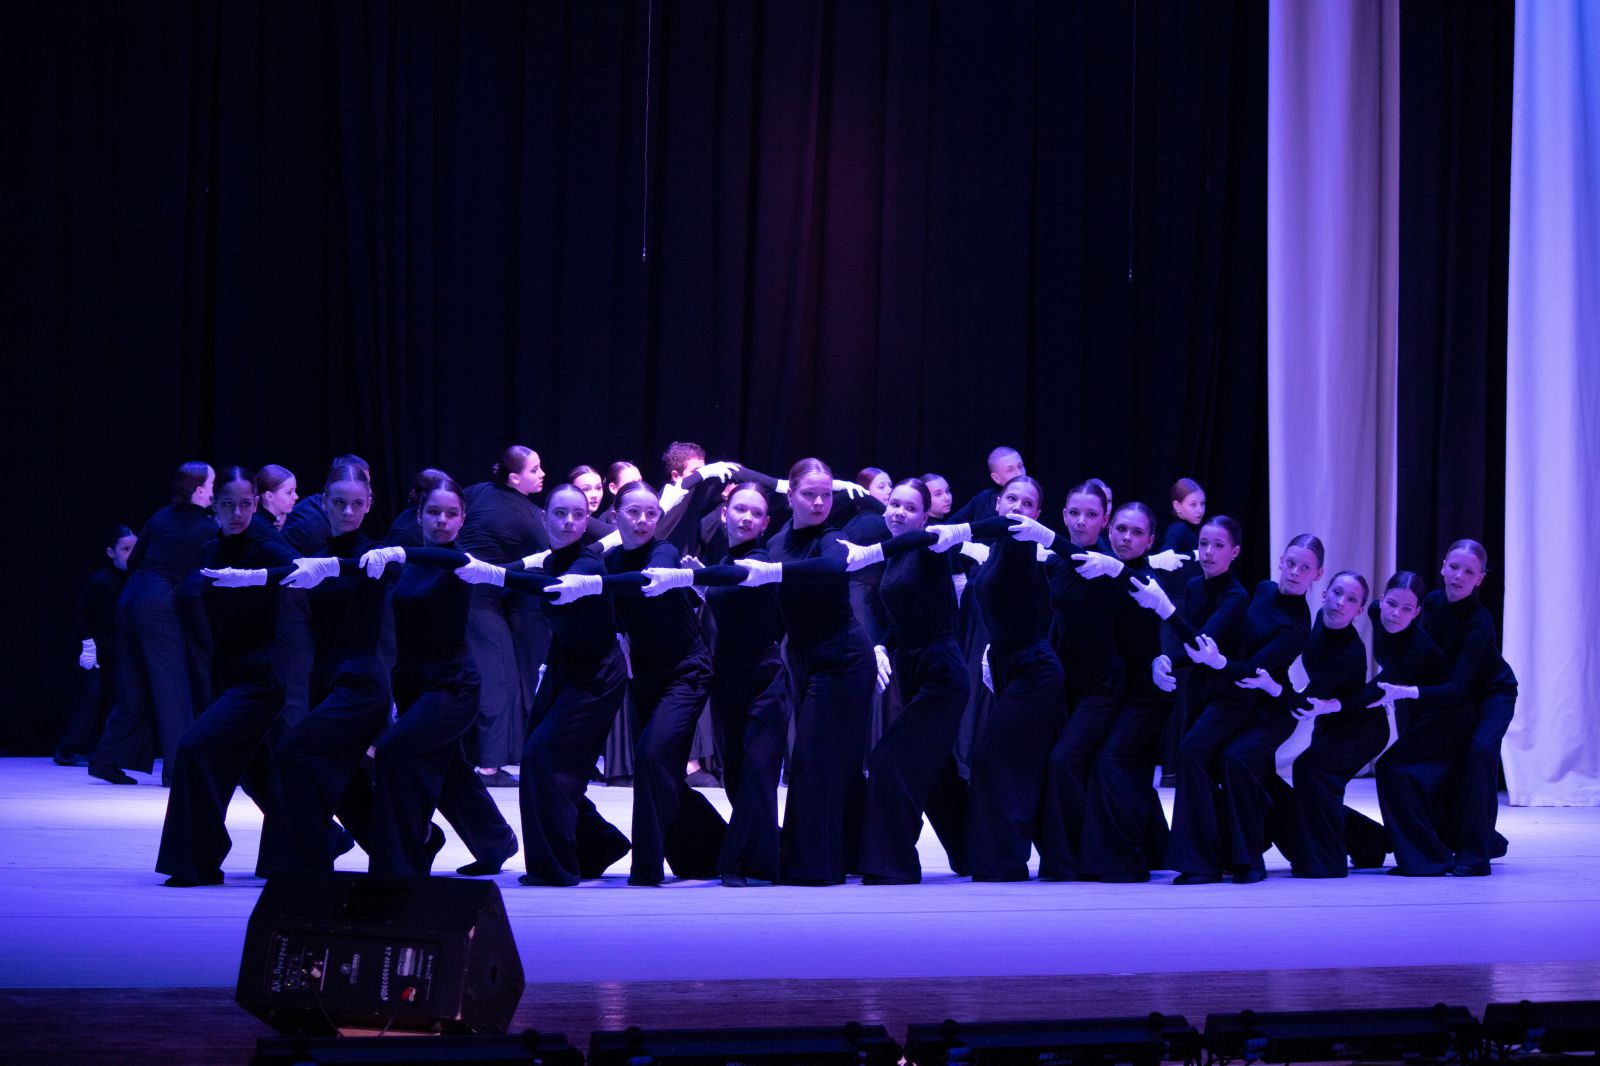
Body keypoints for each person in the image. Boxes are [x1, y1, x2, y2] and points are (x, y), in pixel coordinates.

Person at [353, 476, 520, 877]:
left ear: (462, 519)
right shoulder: (409, 563)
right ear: (419, 516)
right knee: (450, 771)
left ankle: (403, 858)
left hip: (452, 685)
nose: (442, 520)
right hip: (412, 683)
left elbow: (498, 573)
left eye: (451, 514)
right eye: (433, 512)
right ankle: (495, 841)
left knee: (393, 751)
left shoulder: (461, 563)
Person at [253, 462, 413, 876]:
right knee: (345, 783)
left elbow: (391, 567)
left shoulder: (376, 555)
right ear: (323, 502)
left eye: (356, 504)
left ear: (369, 504)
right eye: (339, 503)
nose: (347, 511)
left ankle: (298, 866)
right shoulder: (316, 555)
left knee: (292, 754)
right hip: (324, 679)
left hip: (360, 683)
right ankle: (410, 846)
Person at [156, 467, 300, 885]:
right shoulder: (210, 550)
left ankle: (195, 862)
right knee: (262, 775)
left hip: (261, 679)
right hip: (228, 675)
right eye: (227, 504)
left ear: (255, 505)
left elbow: (299, 569)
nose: (237, 513)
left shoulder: (267, 546)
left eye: (245, 504)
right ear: (213, 507)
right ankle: (322, 840)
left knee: (195, 749)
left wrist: (259, 577)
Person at [847, 479, 973, 883]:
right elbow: (901, 615)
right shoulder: (895, 552)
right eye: (894, 504)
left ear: (924, 516)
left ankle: (892, 864)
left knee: (890, 759)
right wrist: (882, 646)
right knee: (937, 771)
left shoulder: (931, 545)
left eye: (910, 508)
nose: (899, 512)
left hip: (940, 671)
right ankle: (975, 853)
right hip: (912, 666)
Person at [509, 484, 633, 886]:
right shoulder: (550, 559)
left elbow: (563, 587)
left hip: (598, 673)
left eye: (578, 515)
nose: (569, 522)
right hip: (565, 666)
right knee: (536, 757)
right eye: (560, 513)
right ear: (543, 517)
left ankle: (556, 868)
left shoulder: (587, 562)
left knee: (544, 759)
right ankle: (598, 843)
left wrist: (491, 574)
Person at [942, 476, 1062, 881]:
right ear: (997, 502)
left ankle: (1004, 861)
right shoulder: (997, 549)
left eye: (1028, 504)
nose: (1018, 508)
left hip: (1034, 671)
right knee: (1010, 760)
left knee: (993, 757)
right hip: (1010, 665)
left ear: (1037, 514)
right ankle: (1001, 858)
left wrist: (960, 534)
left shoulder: (1024, 545)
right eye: (1012, 499)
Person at [1011, 481, 1129, 881]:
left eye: (1091, 515)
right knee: (1047, 760)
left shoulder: (1107, 565)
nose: (1081, 521)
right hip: (1063, 680)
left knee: (1064, 761)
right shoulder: (1054, 562)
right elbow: (1053, 620)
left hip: (1102, 684)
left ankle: (1080, 857)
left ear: (1105, 520)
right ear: (1063, 515)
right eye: (1075, 513)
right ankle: (1058, 856)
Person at [89, 461, 216, 787]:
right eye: (212, 485)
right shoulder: (206, 528)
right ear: (199, 490)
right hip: (159, 606)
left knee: (134, 686)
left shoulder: (160, 516)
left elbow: (131, 561)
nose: (214, 492)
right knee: (172, 686)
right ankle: (179, 769)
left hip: (130, 599)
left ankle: (106, 757)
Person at [1242, 571, 1377, 878]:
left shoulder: (1348, 652)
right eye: (1337, 593)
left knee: (1309, 771)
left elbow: (1304, 705)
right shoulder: (1318, 619)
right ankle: (1369, 840)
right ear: (1324, 594)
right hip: (1332, 722)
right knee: (1306, 779)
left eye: (1351, 600)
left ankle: (1327, 861)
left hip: (1361, 729)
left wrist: (1271, 686)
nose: (1340, 603)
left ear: (1358, 611)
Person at [1077, 502, 1175, 881]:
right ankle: (1156, 850)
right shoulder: (1103, 571)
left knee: (1112, 761)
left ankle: (1124, 862)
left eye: (1136, 533)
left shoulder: (1146, 580)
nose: (1126, 538)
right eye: (1120, 529)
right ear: (1109, 530)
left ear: (1150, 541)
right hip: (1116, 689)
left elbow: (1171, 624)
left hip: (1149, 693)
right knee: (1123, 764)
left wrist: (1165, 658)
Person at [1418, 540, 1519, 876]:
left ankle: (1476, 856)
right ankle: (1471, 839)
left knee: (1479, 751)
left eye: (1469, 571)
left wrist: (1412, 692)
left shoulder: (1479, 622)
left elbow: (1461, 682)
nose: (1459, 576)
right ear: (1443, 566)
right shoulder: (1431, 604)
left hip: (1492, 695)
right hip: (1457, 695)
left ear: (1480, 579)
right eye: (1454, 567)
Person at [1370, 572, 1474, 876]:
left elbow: (1379, 688)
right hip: (1419, 709)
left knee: (1391, 768)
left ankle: (1428, 858)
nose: (1395, 614)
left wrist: (1332, 702)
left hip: (1447, 715)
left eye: (1406, 609)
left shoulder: (1415, 646)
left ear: (1417, 613)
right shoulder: (1377, 613)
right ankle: (1427, 851)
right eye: (1391, 604)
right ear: (1381, 600)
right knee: (1402, 774)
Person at [459, 445, 549, 786]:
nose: (542, 474)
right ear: (514, 478)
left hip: (468, 598)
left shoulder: (479, 492)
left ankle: (481, 760)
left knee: (487, 678)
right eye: (534, 470)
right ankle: (489, 768)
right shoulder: (524, 514)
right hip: (479, 603)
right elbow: (559, 545)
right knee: (499, 681)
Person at [57, 526, 138, 766]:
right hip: (95, 648)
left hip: (118, 649)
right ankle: (68, 750)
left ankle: (103, 750)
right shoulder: (101, 580)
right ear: (111, 552)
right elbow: (81, 613)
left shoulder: (137, 578)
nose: (131, 554)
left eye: (135, 548)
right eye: (125, 549)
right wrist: (88, 645)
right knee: (91, 696)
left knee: (114, 698)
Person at [253, 465, 298, 534]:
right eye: (289, 492)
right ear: (269, 496)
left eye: (294, 490)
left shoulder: (294, 518)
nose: (296, 497)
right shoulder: (257, 528)